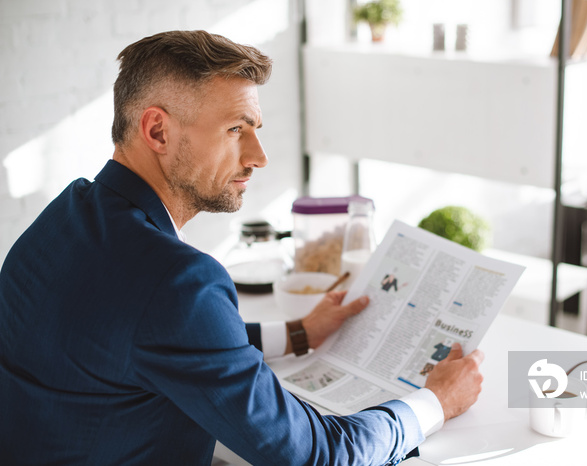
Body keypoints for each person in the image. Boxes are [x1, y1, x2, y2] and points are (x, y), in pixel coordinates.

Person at [0, 30, 484, 465]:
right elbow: (315, 455)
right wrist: (434, 403)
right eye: (236, 130)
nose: (258, 157)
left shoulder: (66, 216)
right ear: (158, 131)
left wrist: (299, 333)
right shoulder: (174, 282)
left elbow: (150, 336)